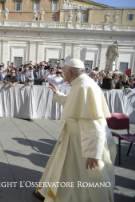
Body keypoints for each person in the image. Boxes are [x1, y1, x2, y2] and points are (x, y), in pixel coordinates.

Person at [34, 59, 116, 202]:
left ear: (70, 73)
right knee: (68, 171)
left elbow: (93, 122)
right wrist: (58, 95)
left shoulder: (84, 87)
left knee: (87, 175)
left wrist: (92, 153)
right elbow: (75, 104)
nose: (63, 75)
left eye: (64, 72)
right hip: (76, 138)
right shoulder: (81, 84)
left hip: (85, 142)